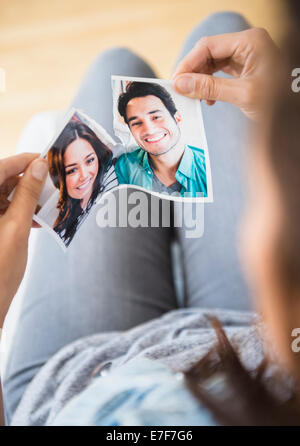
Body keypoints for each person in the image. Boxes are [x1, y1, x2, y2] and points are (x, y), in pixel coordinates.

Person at [0, 7, 299, 426]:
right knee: (220, 30)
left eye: (154, 116)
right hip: (249, 330)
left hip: (76, 378)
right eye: (135, 122)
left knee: (116, 61)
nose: (145, 130)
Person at [115, 81, 207, 197]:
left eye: (156, 117)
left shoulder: (207, 168)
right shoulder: (124, 167)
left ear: (177, 118)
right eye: (137, 123)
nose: (149, 130)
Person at [47, 119, 118, 246]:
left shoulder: (114, 177)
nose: (84, 176)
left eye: (90, 160)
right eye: (72, 170)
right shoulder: (62, 223)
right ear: (59, 177)